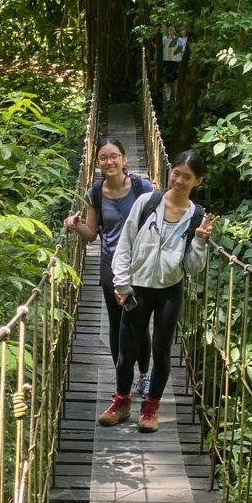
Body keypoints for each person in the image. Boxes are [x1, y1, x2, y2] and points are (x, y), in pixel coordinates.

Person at [98, 151, 218, 433]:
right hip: (137, 287)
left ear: (198, 181)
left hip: (169, 290)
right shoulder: (147, 201)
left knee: (162, 351)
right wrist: (122, 283)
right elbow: (125, 243)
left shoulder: (196, 216)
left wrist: (200, 241)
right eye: (176, 173)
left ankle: (150, 408)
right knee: (127, 350)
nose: (178, 180)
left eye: (187, 177)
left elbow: (192, 268)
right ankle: (121, 402)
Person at [64, 137, 154, 392]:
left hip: (140, 265)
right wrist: (74, 224)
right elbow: (92, 234)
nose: (109, 161)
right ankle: (121, 377)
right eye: (103, 158)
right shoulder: (94, 193)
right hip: (111, 265)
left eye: (114, 156)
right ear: (97, 164)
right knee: (117, 323)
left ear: (124, 159)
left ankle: (145, 375)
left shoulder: (142, 187)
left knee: (139, 321)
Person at [162, 27, 187, 102]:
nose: (171, 31)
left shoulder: (179, 40)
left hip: (175, 62)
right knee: (166, 81)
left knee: (175, 80)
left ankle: (175, 97)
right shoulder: (164, 39)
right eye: (170, 30)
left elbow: (181, 50)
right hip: (166, 61)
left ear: (175, 31)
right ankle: (167, 97)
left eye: (173, 30)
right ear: (168, 31)